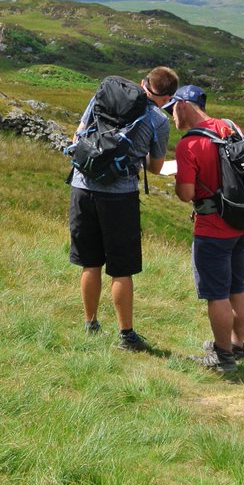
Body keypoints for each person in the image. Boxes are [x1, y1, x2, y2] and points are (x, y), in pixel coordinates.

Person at [71, 66, 178, 352]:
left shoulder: (104, 94)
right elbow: (155, 167)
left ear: (143, 83)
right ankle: (126, 335)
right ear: (168, 98)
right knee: (121, 268)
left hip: (82, 187)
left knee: (90, 262)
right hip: (119, 196)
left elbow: (77, 136)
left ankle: (90, 324)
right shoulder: (158, 119)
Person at [167, 85, 244, 373]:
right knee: (237, 286)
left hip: (212, 228)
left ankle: (223, 356)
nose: (171, 116)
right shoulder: (230, 127)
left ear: (183, 105)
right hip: (240, 222)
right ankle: (237, 345)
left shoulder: (188, 144)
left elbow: (187, 193)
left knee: (217, 294)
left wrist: (179, 178)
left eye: (172, 109)